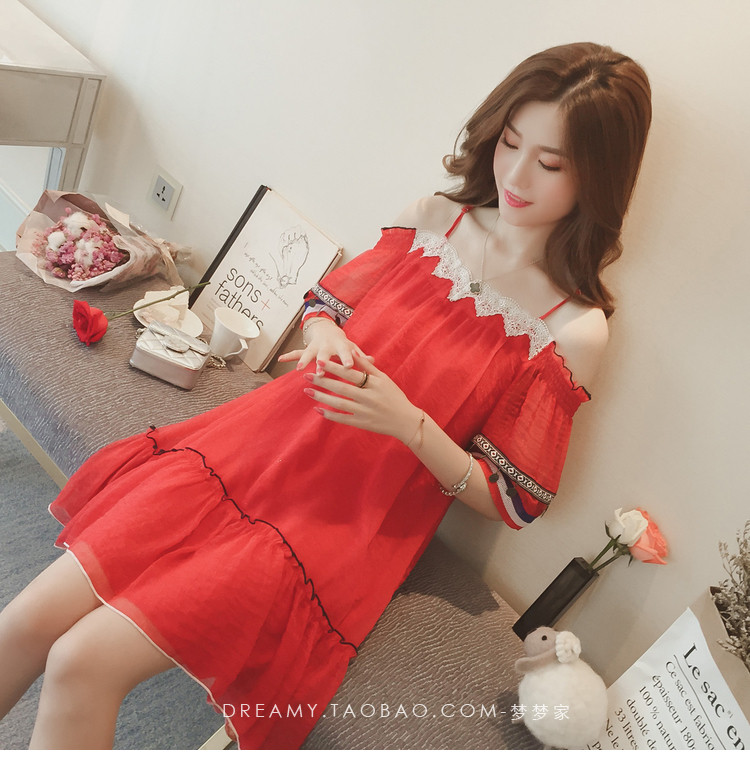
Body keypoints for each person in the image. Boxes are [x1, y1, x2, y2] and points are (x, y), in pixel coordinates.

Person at [0, 41, 651, 750]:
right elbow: (325, 305)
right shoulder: (434, 218)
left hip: (336, 523)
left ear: (598, 177)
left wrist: (409, 423)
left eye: (550, 164)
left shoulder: (571, 328)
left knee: (81, 661)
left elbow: (514, 499)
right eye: (511, 142)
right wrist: (325, 336)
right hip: (248, 448)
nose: (516, 175)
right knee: (24, 623)